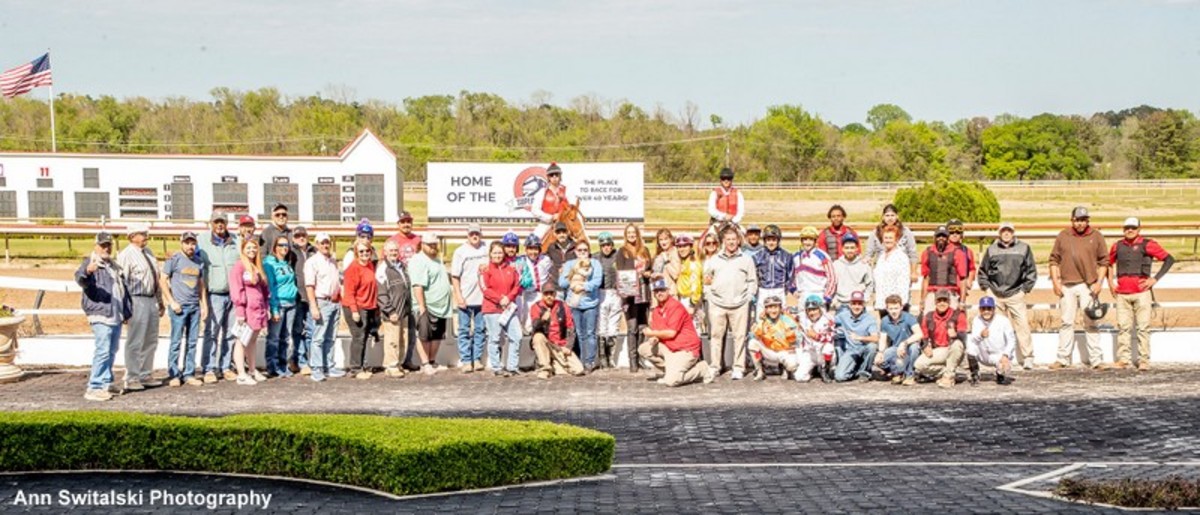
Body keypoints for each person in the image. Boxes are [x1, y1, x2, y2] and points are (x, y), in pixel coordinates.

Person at [1107, 216, 1174, 371]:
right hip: (1122, 293)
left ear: (1139, 229)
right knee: (1123, 327)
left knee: (1143, 327)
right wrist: (1110, 283)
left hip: (1142, 292)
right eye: (1127, 228)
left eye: (1133, 228)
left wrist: (1154, 279)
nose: (1130, 230)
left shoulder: (1148, 244)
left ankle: (1144, 360)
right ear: (1123, 229)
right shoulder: (1117, 246)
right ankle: (1124, 359)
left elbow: (1169, 259)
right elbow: (1108, 264)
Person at [1049, 206, 1111, 370]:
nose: (1080, 223)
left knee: (1090, 321)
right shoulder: (1063, 236)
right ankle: (1062, 358)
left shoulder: (1096, 236)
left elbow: (1104, 261)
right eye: (1077, 220)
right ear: (1072, 220)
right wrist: (1056, 283)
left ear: (1087, 221)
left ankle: (1096, 359)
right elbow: (1054, 260)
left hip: (1088, 285)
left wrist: (1099, 283)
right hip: (1067, 285)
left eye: (1083, 220)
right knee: (1066, 322)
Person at [78, 232, 132, 401]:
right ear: (96, 246)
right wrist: (87, 272)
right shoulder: (90, 263)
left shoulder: (113, 266)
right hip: (100, 314)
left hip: (115, 314)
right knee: (103, 351)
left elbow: (123, 291)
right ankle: (94, 386)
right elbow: (80, 278)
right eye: (103, 245)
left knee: (111, 350)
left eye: (108, 245)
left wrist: (127, 312)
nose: (106, 248)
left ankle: (105, 382)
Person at [978, 222, 1038, 369]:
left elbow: (1031, 270)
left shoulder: (1024, 248)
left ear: (1013, 232)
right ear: (999, 233)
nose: (1006, 234)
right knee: (996, 327)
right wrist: (986, 288)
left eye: (1009, 231)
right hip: (995, 293)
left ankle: (1028, 357)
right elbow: (983, 271)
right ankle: (998, 357)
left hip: (1016, 293)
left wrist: (1025, 289)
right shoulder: (991, 249)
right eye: (1003, 231)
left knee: (1022, 325)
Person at [639, 278, 716, 386]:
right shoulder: (656, 311)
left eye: (662, 290)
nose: (659, 293)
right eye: (656, 291)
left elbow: (671, 333)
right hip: (670, 349)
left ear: (668, 291)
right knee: (644, 348)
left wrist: (651, 333)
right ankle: (671, 371)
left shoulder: (675, 306)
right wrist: (654, 338)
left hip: (686, 349)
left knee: (672, 381)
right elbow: (658, 334)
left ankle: (702, 369)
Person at [703, 227, 758, 379]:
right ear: (723, 242)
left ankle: (739, 367)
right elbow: (707, 280)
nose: (731, 242)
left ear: (738, 240)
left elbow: (752, 281)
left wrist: (748, 297)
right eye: (728, 240)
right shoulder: (714, 260)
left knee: (740, 336)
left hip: (739, 304)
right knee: (715, 336)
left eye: (734, 239)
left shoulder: (746, 259)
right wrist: (709, 296)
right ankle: (715, 366)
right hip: (717, 304)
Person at [117, 223, 164, 391]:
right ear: (132, 236)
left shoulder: (148, 253)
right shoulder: (126, 255)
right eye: (142, 234)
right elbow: (121, 282)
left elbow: (155, 277)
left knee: (151, 339)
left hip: (151, 298)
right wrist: (124, 307)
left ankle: (145, 373)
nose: (146, 236)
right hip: (136, 299)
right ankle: (131, 376)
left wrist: (159, 300)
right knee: (135, 339)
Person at [198, 211, 241, 383]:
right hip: (214, 294)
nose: (220, 225)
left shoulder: (236, 241)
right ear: (211, 223)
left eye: (222, 222)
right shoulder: (202, 240)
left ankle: (225, 366)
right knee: (212, 332)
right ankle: (209, 368)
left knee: (231, 332)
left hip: (233, 294)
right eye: (216, 222)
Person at [161, 231, 207, 387]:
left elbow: (201, 284)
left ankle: (189, 373)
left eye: (193, 243)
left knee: (192, 341)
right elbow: (163, 279)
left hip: (194, 306)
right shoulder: (174, 260)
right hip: (179, 307)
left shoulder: (199, 261)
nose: (190, 246)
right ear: (181, 243)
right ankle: (174, 373)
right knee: (176, 341)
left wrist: (204, 304)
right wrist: (171, 301)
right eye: (187, 243)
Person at [304, 232, 345, 382]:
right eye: (322, 243)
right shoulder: (312, 262)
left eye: (327, 242)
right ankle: (316, 368)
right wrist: (313, 306)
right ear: (317, 245)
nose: (325, 245)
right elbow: (309, 285)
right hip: (321, 301)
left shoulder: (333, 261)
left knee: (331, 337)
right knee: (319, 337)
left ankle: (329, 365)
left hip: (334, 302)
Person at [410, 234, 453, 374]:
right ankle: (425, 363)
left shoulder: (437, 259)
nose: (433, 247)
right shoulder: (419, 260)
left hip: (441, 307)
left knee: (437, 335)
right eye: (430, 244)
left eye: (435, 244)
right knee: (424, 335)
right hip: (427, 305)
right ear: (423, 244)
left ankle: (432, 361)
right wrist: (422, 306)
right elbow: (417, 286)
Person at [559, 241, 604, 370]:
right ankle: (581, 360)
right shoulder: (569, 264)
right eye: (580, 250)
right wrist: (573, 281)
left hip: (590, 303)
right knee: (579, 333)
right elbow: (562, 283)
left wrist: (583, 286)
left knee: (590, 333)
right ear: (575, 251)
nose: (582, 252)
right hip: (574, 303)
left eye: (585, 250)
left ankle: (589, 361)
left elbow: (597, 281)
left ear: (589, 251)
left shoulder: (595, 264)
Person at [230, 238, 269, 386]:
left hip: (258, 310)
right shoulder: (239, 266)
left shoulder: (257, 267)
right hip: (246, 311)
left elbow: (264, 291)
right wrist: (240, 310)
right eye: (248, 248)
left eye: (254, 248)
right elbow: (236, 288)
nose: (252, 251)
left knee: (252, 341)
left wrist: (266, 308)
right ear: (243, 249)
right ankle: (241, 373)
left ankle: (252, 370)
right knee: (241, 341)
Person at [450, 224, 488, 373]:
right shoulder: (460, 252)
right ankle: (466, 360)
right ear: (467, 235)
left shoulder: (486, 248)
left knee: (480, 329)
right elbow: (455, 276)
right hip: (466, 297)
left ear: (481, 234)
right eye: (472, 233)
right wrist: (459, 296)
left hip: (483, 298)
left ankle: (477, 359)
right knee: (464, 330)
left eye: (477, 233)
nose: (474, 236)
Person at [616, 224, 653, 371]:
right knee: (632, 327)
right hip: (630, 294)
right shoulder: (622, 252)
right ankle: (633, 361)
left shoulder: (645, 250)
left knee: (643, 326)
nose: (632, 235)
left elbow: (650, 269)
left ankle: (640, 357)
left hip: (644, 292)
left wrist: (647, 273)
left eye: (634, 232)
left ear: (637, 234)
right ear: (626, 235)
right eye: (629, 233)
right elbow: (620, 272)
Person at [482, 241, 523, 376]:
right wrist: (500, 299)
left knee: (517, 336)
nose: (498, 255)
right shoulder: (485, 270)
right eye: (495, 253)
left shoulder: (511, 269)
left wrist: (508, 298)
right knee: (494, 338)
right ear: (490, 254)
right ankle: (497, 367)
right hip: (492, 308)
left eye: (500, 252)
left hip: (509, 308)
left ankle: (512, 366)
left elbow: (517, 285)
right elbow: (485, 289)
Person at [530, 282, 585, 379]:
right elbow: (534, 326)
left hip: (560, 345)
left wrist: (568, 346)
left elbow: (571, 327)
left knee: (579, 369)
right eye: (546, 294)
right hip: (547, 343)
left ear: (555, 294)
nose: (549, 297)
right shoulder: (536, 307)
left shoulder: (563, 306)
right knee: (538, 337)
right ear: (542, 295)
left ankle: (553, 364)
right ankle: (545, 369)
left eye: (551, 294)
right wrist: (542, 320)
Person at [343, 240, 380, 380]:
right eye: (361, 251)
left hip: (368, 306)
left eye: (367, 251)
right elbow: (349, 292)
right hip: (355, 306)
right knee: (358, 337)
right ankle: (355, 368)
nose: (365, 254)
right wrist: (354, 311)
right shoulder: (353, 268)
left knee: (364, 337)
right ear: (356, 253)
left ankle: (361, 366)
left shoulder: (370, 265)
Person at [915, 290, 968, 388]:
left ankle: (948, 376)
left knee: (957, 344)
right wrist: (925, 345)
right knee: (919, 365)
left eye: (945, 300)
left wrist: (956, 335)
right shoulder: (928, 316)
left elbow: (964, 336)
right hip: (938, 350)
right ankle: (947, 371)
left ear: (949, 302)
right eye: (939, 301)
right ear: (935, 302)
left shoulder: (958, 315)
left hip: (953, 349)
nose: (942, 303)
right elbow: (923, 335)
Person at [263, 235, 298, 378]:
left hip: (291, 303)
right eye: (281, 245)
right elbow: (271, 287)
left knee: (286, 337)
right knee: (274, 337)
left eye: (286, 245)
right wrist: (274, 309)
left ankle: (283, 364)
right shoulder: (269, 264)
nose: (284, 248)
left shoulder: (287, 263)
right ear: (274, 247)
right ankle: (272, 366)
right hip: (279, 303)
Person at [376, 239, 412, 378]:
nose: (393, 253)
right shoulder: (383, 269)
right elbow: (381, 293)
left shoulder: (401, 266)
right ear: (385, 252)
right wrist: (390, 310)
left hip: (404, 310)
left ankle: (398, 364)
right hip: (392, 311)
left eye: (395, 250)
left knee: (402, 338)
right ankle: (391, 365)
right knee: (392, 339)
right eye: (391, 250)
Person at [747, 295, 801, 381]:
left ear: (780, 308)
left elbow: (798, 337)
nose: (773, 310)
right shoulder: (763, 320)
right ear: (765, 310)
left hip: (785, 351)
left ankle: (785, 368)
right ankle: (760, 371)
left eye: (775, 307)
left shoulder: (788, 320)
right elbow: (755, 335)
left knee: (792, 365)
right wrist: (761, 321)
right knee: (752, 343)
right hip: (769, 351)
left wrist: (794, 348)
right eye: (769, 308)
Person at [967, 296, 1017, 386]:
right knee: (970, 346)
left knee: (1004, 369)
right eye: (983, 309)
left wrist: (1006, 355)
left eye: (989, 308)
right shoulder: (976, 320)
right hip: (983, 354)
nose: (986, 311)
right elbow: (973, 339)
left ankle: (1000, 375)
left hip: (999, 355)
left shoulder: (1004, 321)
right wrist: (980, 336)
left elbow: (1011, 340)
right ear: (980, 310)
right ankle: (975, 375)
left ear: (994, 309)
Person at [865, 204, 919, 283]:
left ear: (897, 216)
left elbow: (912, 254)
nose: (890, 218)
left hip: (901, 270)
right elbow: (869, 253)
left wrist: (913, 272)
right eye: (887, 215)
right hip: (882, 271)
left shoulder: (905, 232)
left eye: (892, 215)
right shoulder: (876, 233)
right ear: (883, 217)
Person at [833, 291, 879, 382]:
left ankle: (864, 373)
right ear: (850, 304)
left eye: (859, 304)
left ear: (863, 305)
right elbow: (829, 321)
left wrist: (860, 338)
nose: (856, 306)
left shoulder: (870, 319)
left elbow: (875, 338)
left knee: (872, 346)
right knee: (839, 377)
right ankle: (854, 369)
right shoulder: (843, 316)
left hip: (864, 347)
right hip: (851, 350)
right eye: (854, 303)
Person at [878, 294, 923, 386]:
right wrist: (880, 352)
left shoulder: (909, 317)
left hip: (909, 346)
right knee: (880, 360)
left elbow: (919, 334)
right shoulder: (885, 321)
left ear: (901, 307)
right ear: (886, 309)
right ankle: (897, 373)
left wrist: (904, 343)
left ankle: (910, 374)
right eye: (891, 309)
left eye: (896, 308)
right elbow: (883, 339)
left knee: (914, 347)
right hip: (896, 348)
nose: (894, 311)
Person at [919, 225, 966, 314]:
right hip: (932, 292)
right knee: (927, 318)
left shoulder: (957, 253)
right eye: (938, 236)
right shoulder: (928, 252)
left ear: (948, 238)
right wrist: (922, 300)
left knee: (953, 319)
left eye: (944, 236)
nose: (941, 238)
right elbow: (926, 278)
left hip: (950, 292)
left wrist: (962, 301)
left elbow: (963, 278)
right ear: (934, 237)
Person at [289, 226, 316, 375]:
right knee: (298, 330)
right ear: (293, 238)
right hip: (297, 297)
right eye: (297, 235)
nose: (301, 237)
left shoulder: (314, 252)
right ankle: (301, 360)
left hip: (312, 297)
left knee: (311, 330)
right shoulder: (291, 253)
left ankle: (305, 360)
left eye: (303, 235)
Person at [515, 233, 553, 338]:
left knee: (544, 320)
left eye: (535, 249)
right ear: (526, 249)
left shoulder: (545, 260)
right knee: (528, 322)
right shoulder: (521, 261)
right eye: (530, 249)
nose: (533, 252)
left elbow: (552, 272)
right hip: (527, 294)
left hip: (542, 294)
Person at [594, 231, 623, 367]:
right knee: (601, 325)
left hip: (616, 293)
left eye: (608, 244)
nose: (606, 247)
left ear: (612, 245)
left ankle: (610, 355)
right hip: (601, 292)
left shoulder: (619, 256)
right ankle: (602, 357)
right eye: (603, 245)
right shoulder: (595, 257)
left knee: (614, 325)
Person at [790, 226, 837, 306]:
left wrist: (827, 296)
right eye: (805, 239)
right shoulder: (796, 256)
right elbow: (792, 275)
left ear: (815, 241)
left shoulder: (822, 256)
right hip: (802, 294)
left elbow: (832, 277)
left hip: (818, 293)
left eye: (810, 239)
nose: (807, 242)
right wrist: (793, 289)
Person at [530, 162, 578, 239]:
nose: (554, 177)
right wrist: (551, 217)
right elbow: (534, 210)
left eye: (556, 174)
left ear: (560, 176)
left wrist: (563, 215)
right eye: (551, 175)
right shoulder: (542, 192)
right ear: (548, 177)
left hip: (566, 223)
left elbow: (573, 205)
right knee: (533, 240)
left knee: (579, 239)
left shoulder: (568, 190)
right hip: (547, 224)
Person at [873, 226, 912, 318]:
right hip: (883, 302)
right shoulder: (881, 257)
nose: (888, 240)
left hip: (896, 304)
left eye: (890, 238)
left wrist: (900, 303)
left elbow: (904, 281)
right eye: (886, 238)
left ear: (896, 239)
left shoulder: (901, 257)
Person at [797, 295, 836, 382]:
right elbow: (787, 314)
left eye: (814, 309)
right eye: (809, 310)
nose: (812, 313)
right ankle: (813, 369)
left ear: (820, 309)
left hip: (824, 353)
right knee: (800, 377)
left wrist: (816, 336)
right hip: (810, 352)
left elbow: (831, 337)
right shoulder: (802, 318)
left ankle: (825, 369)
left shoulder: (828, 319)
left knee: (828, 347)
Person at [754, 224, 792, 311]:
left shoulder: (786, 256)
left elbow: (790, 275)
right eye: (768, 240)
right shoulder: (757, 256)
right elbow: (754, 275)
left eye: (774, 240)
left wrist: (786, 289)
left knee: (781, 316)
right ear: (764, 241)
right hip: (763, 290)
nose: (771, 243)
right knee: (761, 317)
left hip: (779, 290)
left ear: (778, 240)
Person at [831, 235, 873, 313]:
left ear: (857, 249)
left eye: (852, 248)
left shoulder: (864, 265)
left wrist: (865, 299)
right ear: (842, 249)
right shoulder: (836, 265)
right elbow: (832, 284)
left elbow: (869, 283)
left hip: (858, 303)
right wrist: (835, 301)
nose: (849, 250)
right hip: (841, 304)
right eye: (847, 248)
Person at [674, 234, 706, 334]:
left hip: (690, 300)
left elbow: (696, 285)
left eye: (685, 246)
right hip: (683, 298)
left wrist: (692, 304)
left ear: (690, 247)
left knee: (694, 329)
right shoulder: (684, 262)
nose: (681, 249)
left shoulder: (693, 263)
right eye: (679, 246)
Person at [946, 219, 977, 298]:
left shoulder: (967, 251)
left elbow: (972, 269)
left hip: (961, 290)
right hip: (945, 288)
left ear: (962, 234)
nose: (955, 235)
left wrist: (969, 281)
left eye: (958, 233)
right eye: (951, 232)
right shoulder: (943, 249)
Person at [707, 167, 745, 232]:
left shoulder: (738, 193)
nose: (726, 180)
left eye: (729, 178)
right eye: (723, 178)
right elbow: (711, 210)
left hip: (734, 223)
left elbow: (741, 210)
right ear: (720, 180)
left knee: (744, 233)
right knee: (709, 236)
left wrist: (734, 220)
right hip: (718, 223)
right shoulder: (714, 193)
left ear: (732, 180)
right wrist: (724, 216)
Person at [544, 221, 575, 286]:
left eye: (564, 232)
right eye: (558, 232)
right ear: (555, 234)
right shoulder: (551, 248)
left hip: (572, 284)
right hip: (557, 284)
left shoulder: (576, 246)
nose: (561, 235)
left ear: (568, 232)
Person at [652, 228, 681, 295]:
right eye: (661, 240)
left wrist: (666, 261)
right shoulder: (659, 255)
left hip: (670, 293)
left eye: (666, 239)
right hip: (659, 292)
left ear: (671, 239)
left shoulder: (675, 252)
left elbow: (676, 275)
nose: (663, 242)